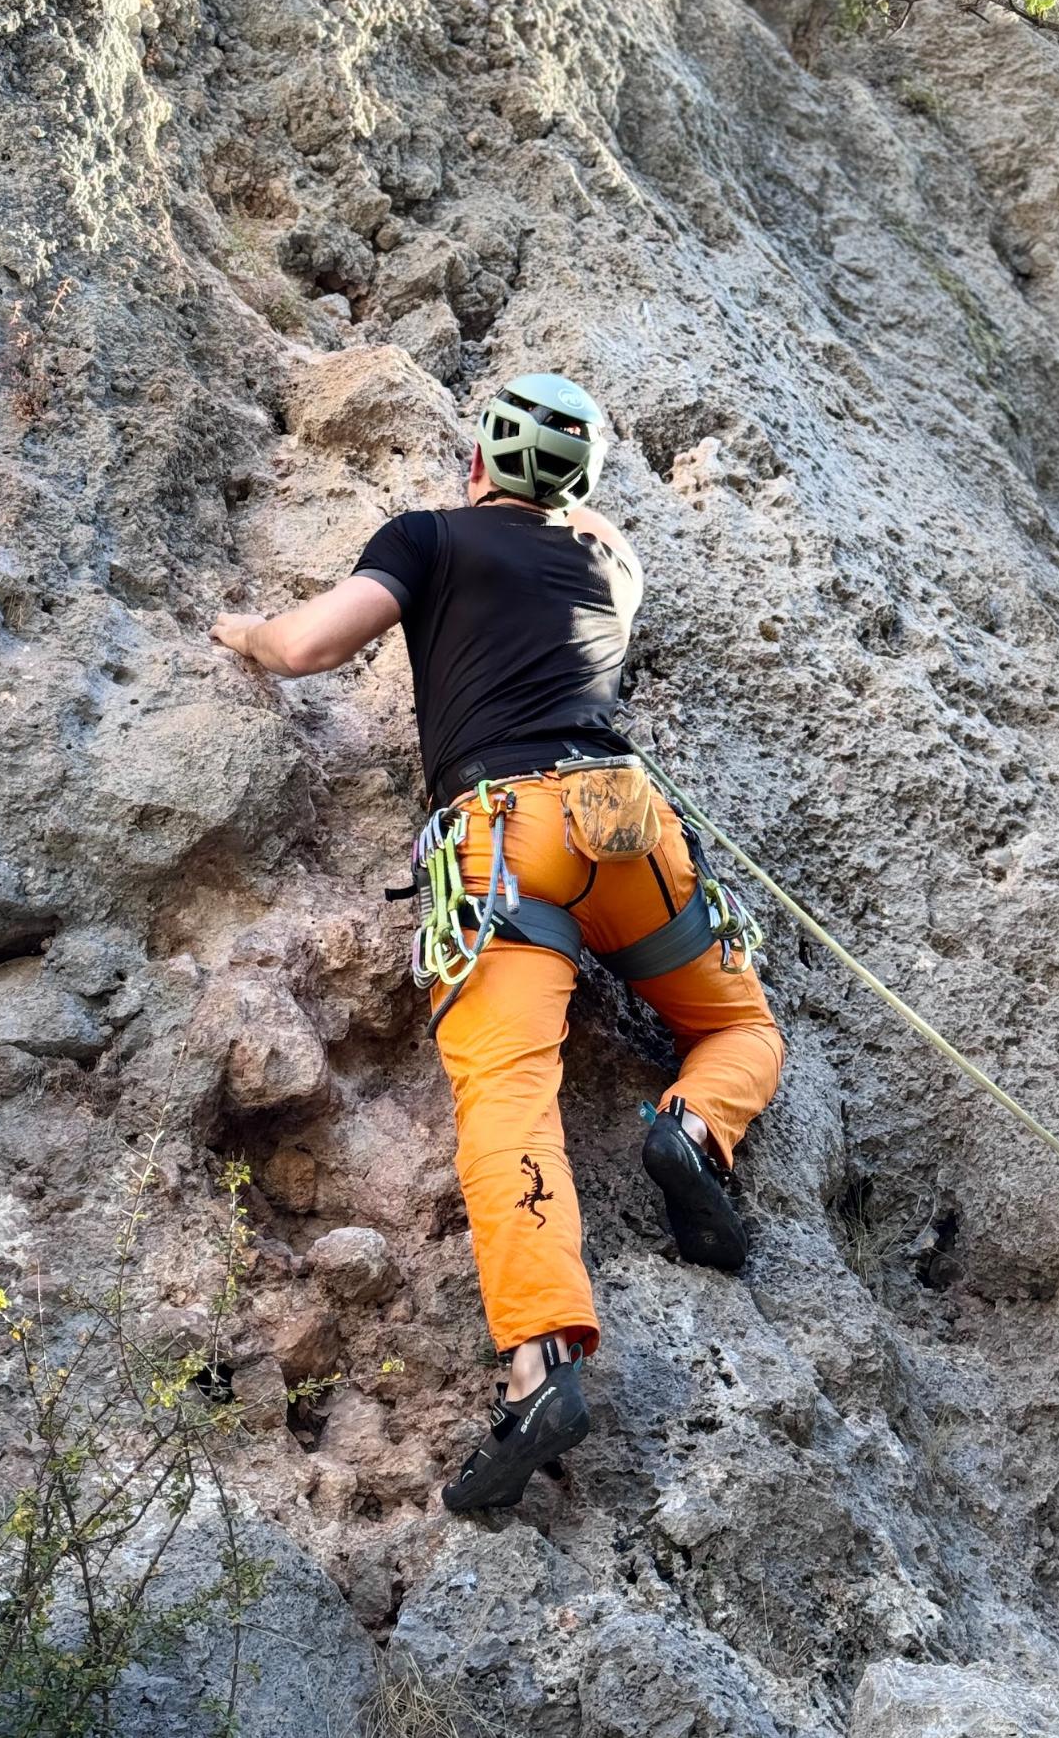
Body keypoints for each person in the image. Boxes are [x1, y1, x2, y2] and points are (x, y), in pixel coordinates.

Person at [210, 374, 785, 1510]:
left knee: (509, 1094)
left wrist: (243, 631)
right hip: (627, 818)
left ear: (477, 462)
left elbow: (310, 645)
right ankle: (692, 1125)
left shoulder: (429, 537)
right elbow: (594, 537)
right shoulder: (610, 564)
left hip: (501, 838)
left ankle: (542, 1367)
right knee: (736, 1025)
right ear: (581, 487)